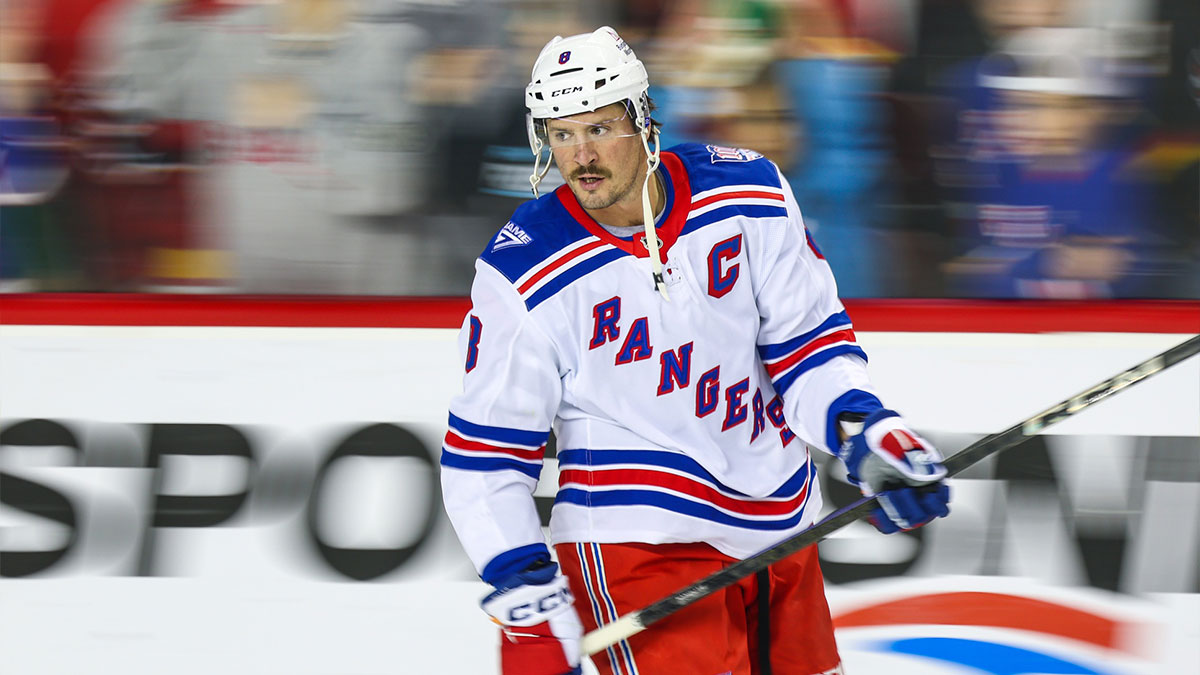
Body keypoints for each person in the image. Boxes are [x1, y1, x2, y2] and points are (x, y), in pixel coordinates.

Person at [439, 26, 951, 675]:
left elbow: (809, 349)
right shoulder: (524, 270)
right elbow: (486, 454)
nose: (580, 156)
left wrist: (865, 431)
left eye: (597, 128)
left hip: (778, 533)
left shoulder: (749, 195)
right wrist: (525, 591)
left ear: (643, 120)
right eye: (561, 134)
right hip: (637, 543)